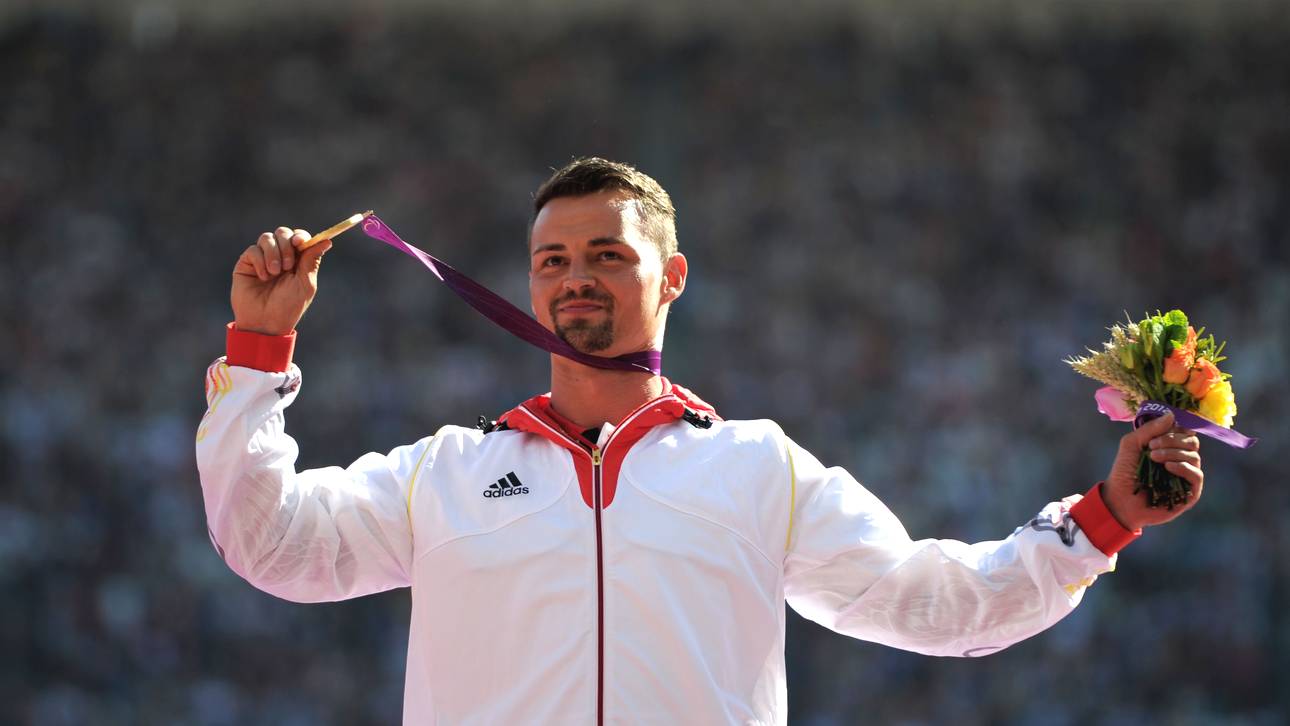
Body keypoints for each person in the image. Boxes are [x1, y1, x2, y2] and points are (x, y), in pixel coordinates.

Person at [195, 157, 1204, 725]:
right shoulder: (445, 475)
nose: (573, 276)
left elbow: (937, 603)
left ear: (671, 277)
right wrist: (258, 348)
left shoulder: (758, 469)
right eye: (551, 259)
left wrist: (1104, 520)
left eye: (606, 253)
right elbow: (269, 544)